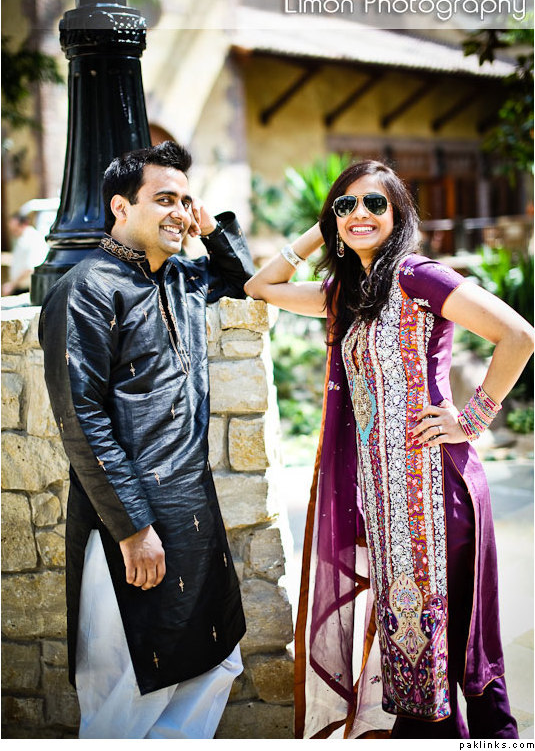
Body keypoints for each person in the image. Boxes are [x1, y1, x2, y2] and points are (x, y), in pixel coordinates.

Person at [244, 160, 534, 739]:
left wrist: (473, 417)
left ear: (398, 213)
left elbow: (519, 335)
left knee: (456, 639)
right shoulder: (344, 294)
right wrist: (323, 229)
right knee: (414, 644)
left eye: (375, 204)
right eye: (346, 204)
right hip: (386, 501)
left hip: (437, 491)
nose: (360, 214)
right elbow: (261, 287)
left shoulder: (418, 276)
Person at [39, 141, 254, 739]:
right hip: (130, 525)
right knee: (126, 697)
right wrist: (133, 530)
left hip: (193, 513)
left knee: (212, 666)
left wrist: (209, 226)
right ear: (120, 207)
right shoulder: (85, 289)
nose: (178, 211)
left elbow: (243, 280)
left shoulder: (183, 279)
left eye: (185, 200)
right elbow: (81, 420)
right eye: (163, 199)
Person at [2, 212, 48, 296]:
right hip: (19, 287)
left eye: (15, 229)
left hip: (26, 288)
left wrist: (12, 285)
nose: (13, 232)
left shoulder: (32, 238)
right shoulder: (22, 239)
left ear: (24, 224)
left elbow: (30, 267)